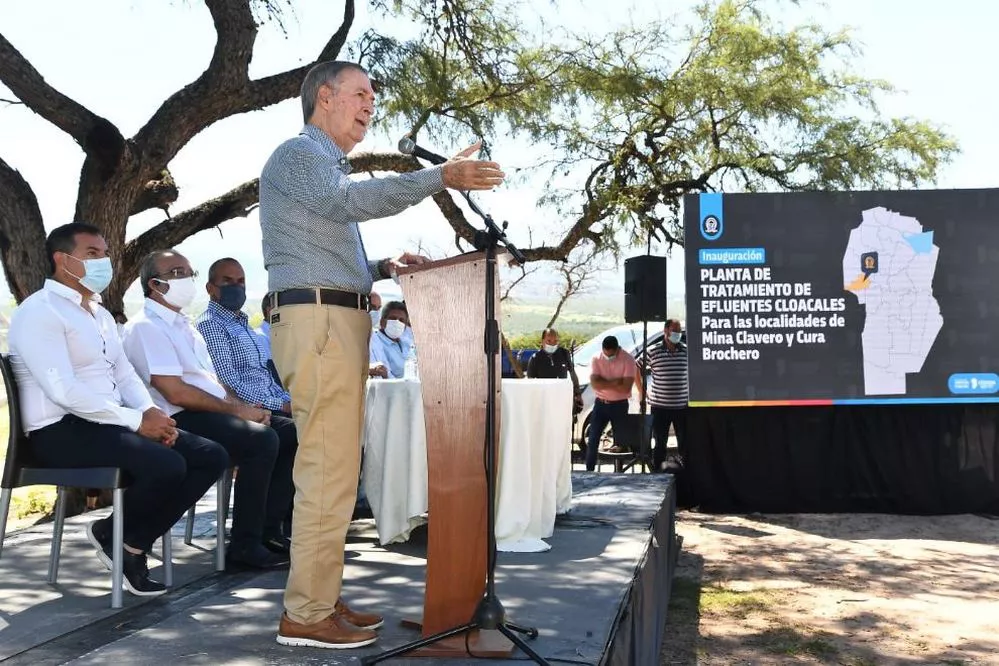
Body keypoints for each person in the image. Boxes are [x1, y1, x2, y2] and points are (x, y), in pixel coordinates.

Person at [259, 59, 504, 649]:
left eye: (374, 95)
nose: (371, 104)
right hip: (319, 323)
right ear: (324, 97)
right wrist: (438, 176)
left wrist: (383, 268)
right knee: (326, 469)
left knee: (337, 471)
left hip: (335, 316)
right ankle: (306, 613)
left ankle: (319, 596)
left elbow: (325, 246)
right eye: (361, 93)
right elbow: (351, 203)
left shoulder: (324, 165)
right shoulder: (300, 154)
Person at [7, 223, 229, 596]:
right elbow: (63, 390)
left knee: (210, 455)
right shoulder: (40, 312)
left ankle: (125, 541)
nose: (103, 262)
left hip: (106, 424)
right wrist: (136, 420)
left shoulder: (99, 313)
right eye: (92, 254)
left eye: (105, 253)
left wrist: (151, 414)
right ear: (63, 260)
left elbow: (124, 374)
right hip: (57, 432)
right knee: (167, 464)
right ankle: (123, 543)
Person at [123, 250, 297, 568]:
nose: (187, 279)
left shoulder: (184, 327)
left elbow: (215, 384)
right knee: (262, 439)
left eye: (189, 271)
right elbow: (175, 391)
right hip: (175, 417)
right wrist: (236, 413)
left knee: (288, 432)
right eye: (177, 273)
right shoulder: (146, 326)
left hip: (206, 411)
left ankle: (266, 533)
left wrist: (243, 407)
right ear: (155, 284)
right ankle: (244, 545)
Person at [196, 258, 292, 415]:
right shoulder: (210, 324)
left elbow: (265, 377)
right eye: (227, 281)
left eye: (240, 281)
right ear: (210, 288)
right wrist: (282, 406)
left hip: (275, 402)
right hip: (254, 409)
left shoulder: (244, 324)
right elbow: (228, 382)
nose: (236, 286)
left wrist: (288, 401)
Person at [585, 335, 637, 472]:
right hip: (601, 404)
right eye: (605, 354)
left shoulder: (628, 360)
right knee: (593, 438)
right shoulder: (596, 358)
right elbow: (595, 384)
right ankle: (589, 471)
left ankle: (619, 472)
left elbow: (626, 387)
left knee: (620, 442)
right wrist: (616, 382)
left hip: (620, 404)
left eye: (611, 355)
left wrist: (604, 382)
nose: (608, 357)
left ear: (617, 349)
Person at [643, 319, 688, 471]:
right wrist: (642, 391)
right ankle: (658, 474)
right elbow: (637, 367)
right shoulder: (653, 351)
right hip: (660, 406)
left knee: (684, 443)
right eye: (675, 331)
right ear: (666, 331)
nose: (678, 334)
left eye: (679, 331)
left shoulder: (686, 351)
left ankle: (685, 474)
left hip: (681, 406)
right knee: (660, 443)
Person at [526, 327, 583, 413]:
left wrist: (577, 394)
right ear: (542, 341)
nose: (552, 344)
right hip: (544, 402)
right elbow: (530, 382)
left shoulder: (564, 354)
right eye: (549, 341)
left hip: (562, 399)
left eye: (555, 341)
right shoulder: (535, 358)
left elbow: (572, 374)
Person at [368, 301, 412, 379]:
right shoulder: (375, 343)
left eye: (401, 320)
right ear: (382, 321)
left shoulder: (406, 343)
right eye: (393, 318)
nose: (397, 322)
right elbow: (386, 374)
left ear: (405, 326)